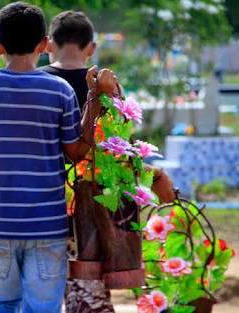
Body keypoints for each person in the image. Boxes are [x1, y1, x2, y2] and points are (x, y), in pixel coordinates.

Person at [0, 3, 117, 312]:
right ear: (45, 45)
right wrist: (94, 100)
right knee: (43, 306)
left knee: (1, 302)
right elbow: (75, 152)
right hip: (48, 225)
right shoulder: (59, 91)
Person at [40, 10, 175, 313]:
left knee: (46, 292)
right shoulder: (106, 86)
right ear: (92, 48)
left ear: (48, 46)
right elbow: (122, 150)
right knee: (88, 294)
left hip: (47, 203)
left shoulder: (40, 84)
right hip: (97, 202)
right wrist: (154, 175)